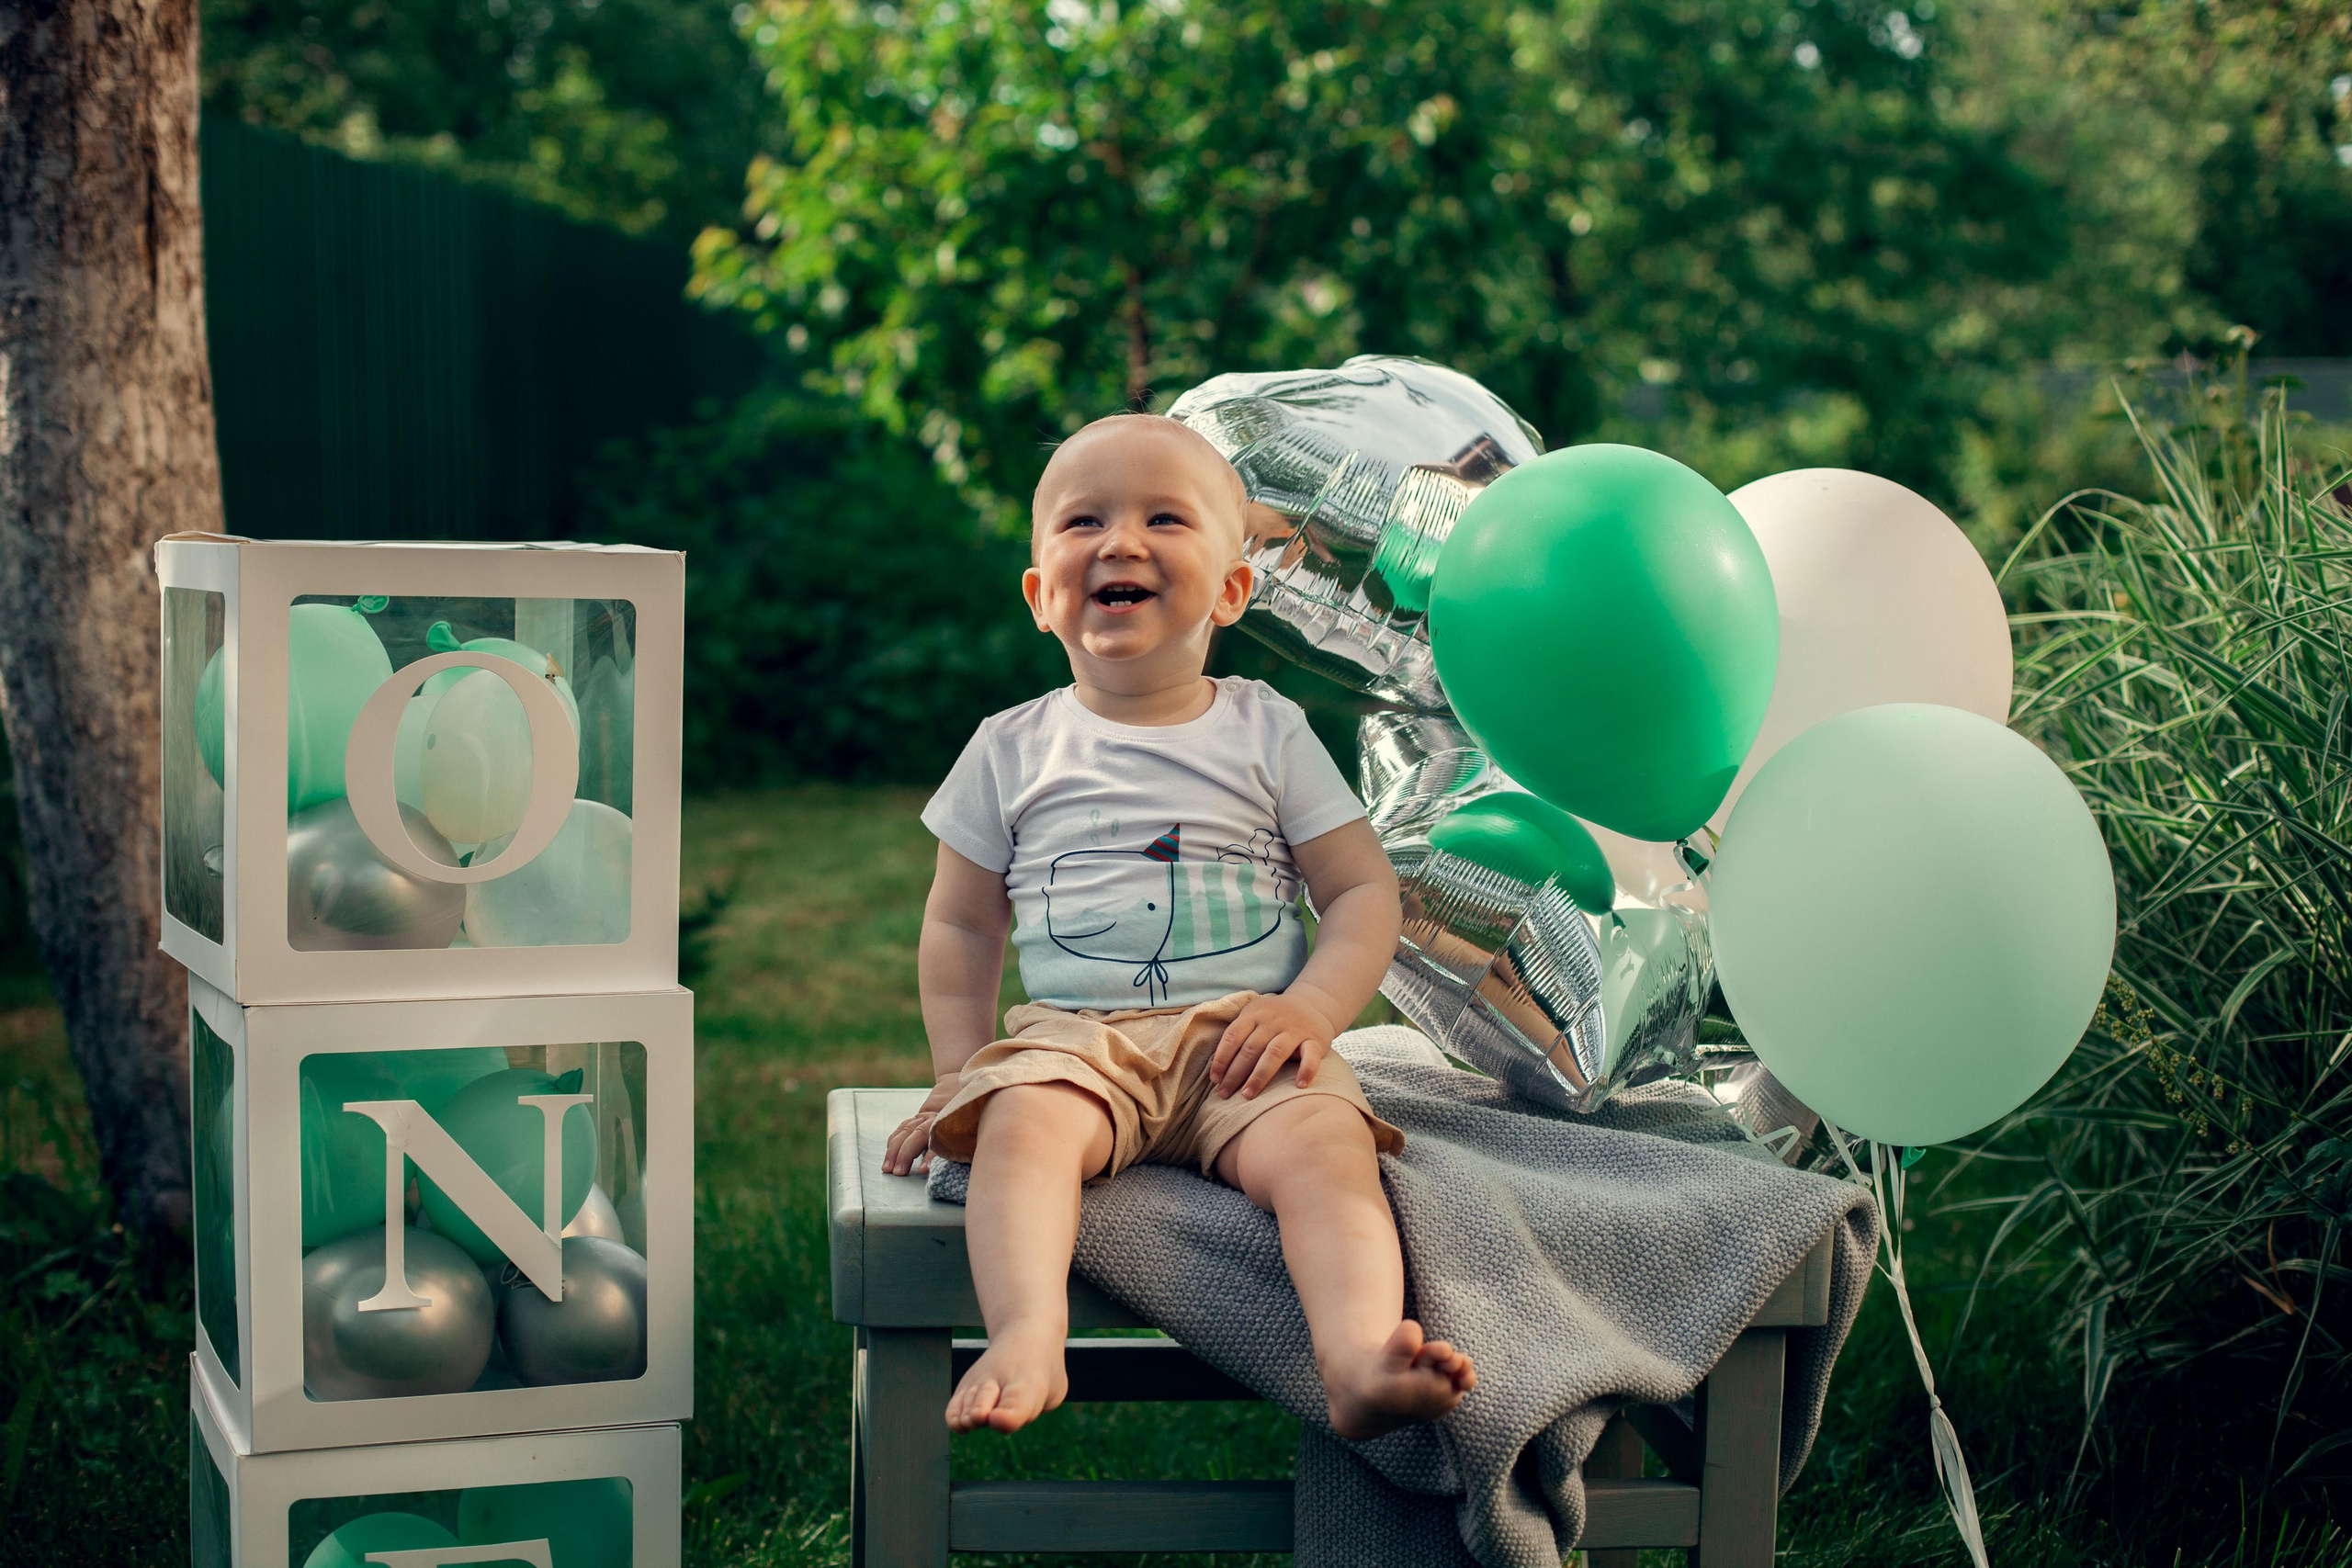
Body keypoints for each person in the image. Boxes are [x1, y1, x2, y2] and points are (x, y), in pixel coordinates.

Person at [882, 412, 1477, 1439]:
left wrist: (1311, 1011)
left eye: (1164, 518)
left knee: (1329, 1155)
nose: (1119, 542)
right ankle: (1027, 1333)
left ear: (1233, 590)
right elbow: (962, 926)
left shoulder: (1267, 732)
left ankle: (1357, 1353)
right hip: (1077, 1042)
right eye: (1083, 522)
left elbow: (1361, 894)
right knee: (1019, 1132)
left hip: (1245, 1043)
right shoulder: (1009, 748)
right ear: (1040, 597)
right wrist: (957, 1073)